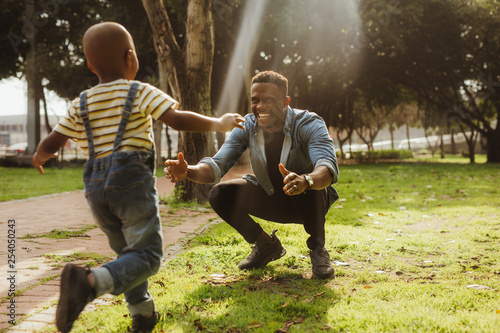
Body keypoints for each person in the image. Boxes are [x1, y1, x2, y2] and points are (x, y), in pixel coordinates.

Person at [32, 22, 244, 333]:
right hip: (130, 184)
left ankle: (143, 313)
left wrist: (39, 156)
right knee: (148, 255)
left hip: (95, 190)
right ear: (131, 57)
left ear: (91, 66)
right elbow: (176, 119)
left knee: (128, 255)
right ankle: (89, 282)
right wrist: (219, 123)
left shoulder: (81, 102)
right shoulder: (138, 90)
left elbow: (52, 142)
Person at [164, 70, 339, 279]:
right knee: (219, 194)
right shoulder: (246, 126)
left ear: (286, 101)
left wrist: (306, 180)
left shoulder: (309, 123)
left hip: (308, 199)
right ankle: (266, 245)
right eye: (255, 100)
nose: (260, 107)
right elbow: (216, 166)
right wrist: (188, 171)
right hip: (271, 196)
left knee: (307, 180)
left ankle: (318, 250)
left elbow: (326, 167)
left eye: (269, 100)